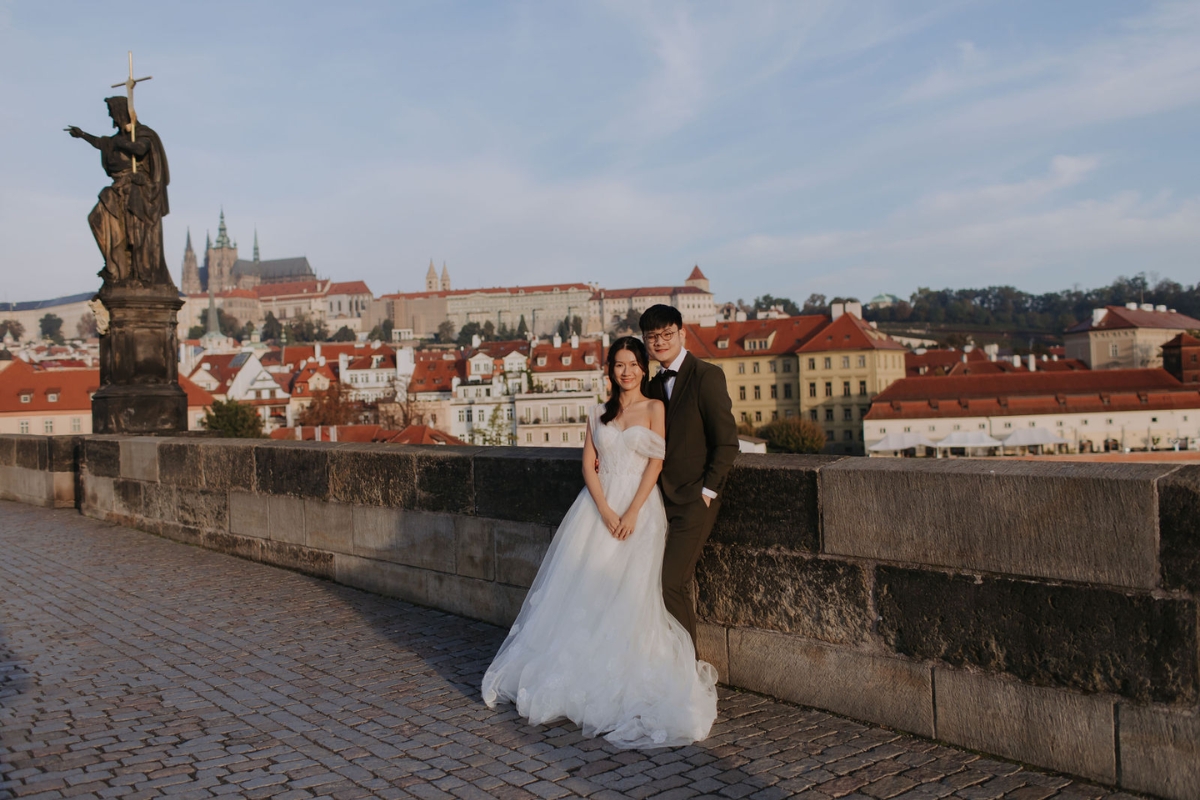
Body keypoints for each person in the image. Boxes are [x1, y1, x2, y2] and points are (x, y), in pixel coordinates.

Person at [482, 336, 717, 749]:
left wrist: (630, 513)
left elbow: (655, 464)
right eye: (618, 365)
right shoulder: (597, 412)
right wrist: (607, 510)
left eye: (632, 364)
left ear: (643, 368)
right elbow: (588, 467)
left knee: (630, 593)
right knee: (584, 591)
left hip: (641, 511)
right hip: (596, 509)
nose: (625, 371)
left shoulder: (655, 408)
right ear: (610, 370)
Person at [640, 304, 739, 647]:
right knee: (648, 582)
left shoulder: (706, 375)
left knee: (672, 582)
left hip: (694, 499)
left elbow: (727, 442)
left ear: (682, 333)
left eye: (667, 334)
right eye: (653, 337)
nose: (660, 342)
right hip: (658, 501)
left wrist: (707, 492)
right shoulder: (651, 386)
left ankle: (688, 668)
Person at [67, 96, 172, 287]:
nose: (111, 119)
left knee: (136, 234)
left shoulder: (142, 133)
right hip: (118, 188)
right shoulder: (117, 138)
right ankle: (115, 266)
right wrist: (82, 135)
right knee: (96, 218)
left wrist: (121, 140)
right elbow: (102, 143)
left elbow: (140, 150)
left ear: (121, 113)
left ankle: (138, 273)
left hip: (137, 191)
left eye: (112, 114)